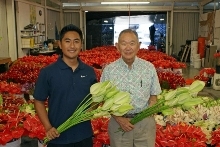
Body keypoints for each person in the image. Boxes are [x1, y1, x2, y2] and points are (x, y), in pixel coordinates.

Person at [33, 24, 97, 147]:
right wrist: (48, 127)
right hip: (58, 137)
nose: (72, 46)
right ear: (60, 44)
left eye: (76, 41)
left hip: (84, 136)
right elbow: (39, 101)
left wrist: (91, 109)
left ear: (81, 44)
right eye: (67, 41)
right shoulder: (48, 72)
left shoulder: (89, 71)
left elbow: (95, 98)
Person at [100, 29, 161, 147]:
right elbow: (104, 99)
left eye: (132, 43)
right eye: (124, 43)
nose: (128, 47)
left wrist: (150, 110)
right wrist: (119, 119)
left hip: (144, 122)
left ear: (139, 46)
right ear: (117, 46)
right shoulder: (109, 70)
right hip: (119, 123)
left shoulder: (149, 68)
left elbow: (154, 95)